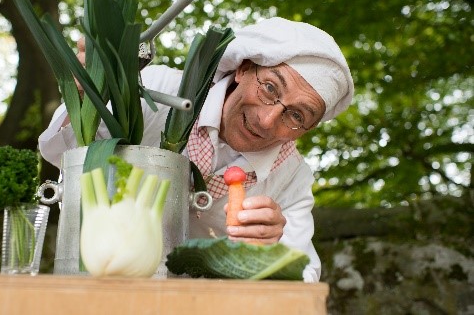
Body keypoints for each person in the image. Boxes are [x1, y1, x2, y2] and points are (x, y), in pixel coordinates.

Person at [39, 17, 354, 282]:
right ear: (244, 68)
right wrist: (83, 98)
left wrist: (273, 254)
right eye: (270, 88)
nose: (268, 119)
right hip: (98, 290)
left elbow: (306, 278)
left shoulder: (292, 178)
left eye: (297, 115)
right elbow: (58, 151)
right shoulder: (156, 89)